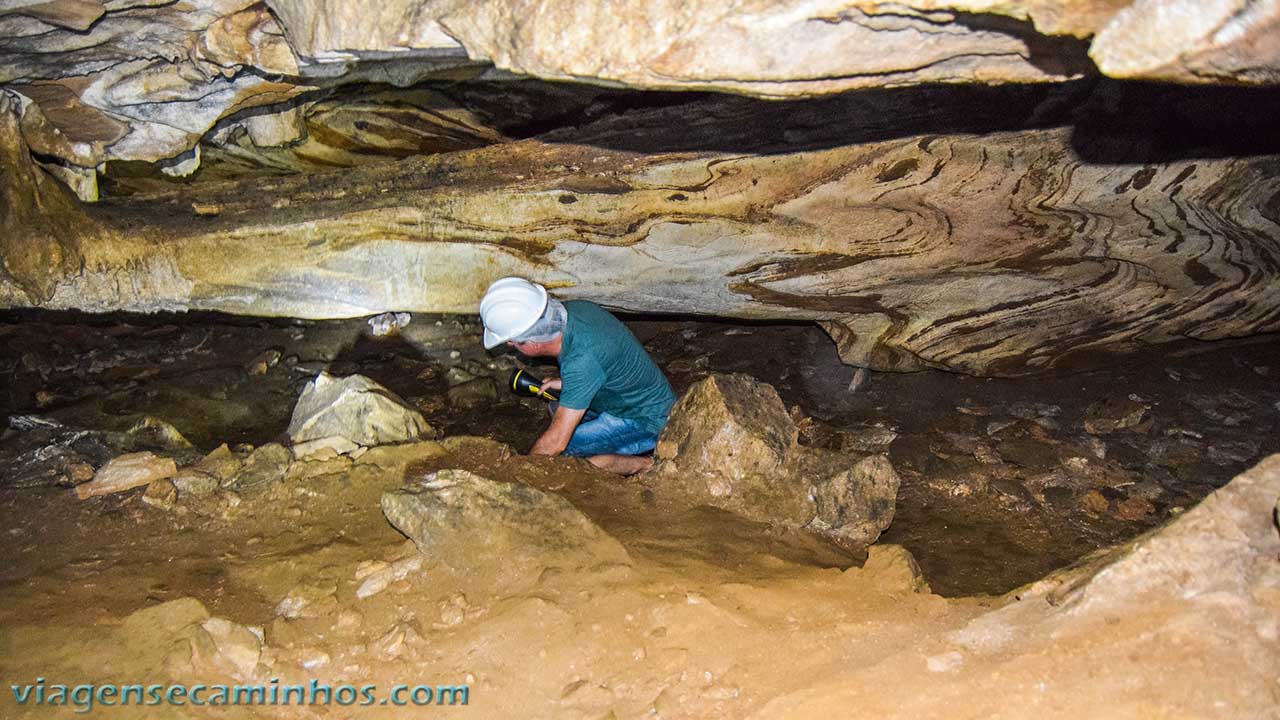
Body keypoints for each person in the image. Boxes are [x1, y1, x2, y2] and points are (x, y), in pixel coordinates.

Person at [479, 277, 676, 475]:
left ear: (533, 344)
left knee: (565, 458)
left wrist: (522, 473)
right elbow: (601, 364)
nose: (510, 346)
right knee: (555, 407)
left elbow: (556, 443)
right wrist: (567, 383)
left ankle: (649, 465)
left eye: (512, 342)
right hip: (625, 396)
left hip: (648, 419)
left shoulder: (582, 361)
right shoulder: (576, 311)